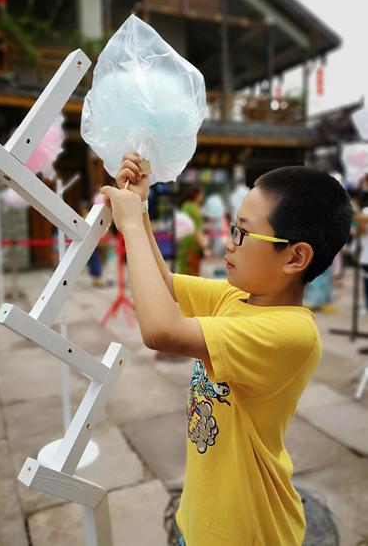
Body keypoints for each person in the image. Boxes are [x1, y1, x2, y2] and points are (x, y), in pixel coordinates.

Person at [100, 155, 352, 546]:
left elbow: (161, 331)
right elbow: (164, 284)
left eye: (242, 233)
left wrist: (131, 225)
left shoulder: (291, 333)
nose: (226, 242)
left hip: (247, 531)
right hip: (201, 518)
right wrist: (141, 207)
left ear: (295, 257)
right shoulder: (238, 298)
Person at [176, 186, 210, 276]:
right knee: (192, 269)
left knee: (183, 265)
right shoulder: (195, 208)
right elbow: (197, 229)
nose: (202, 197)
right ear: (197, 195)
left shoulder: (185, 206)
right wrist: (204, 246)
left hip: (183, 241)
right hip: (193, 243)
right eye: (201, 194)